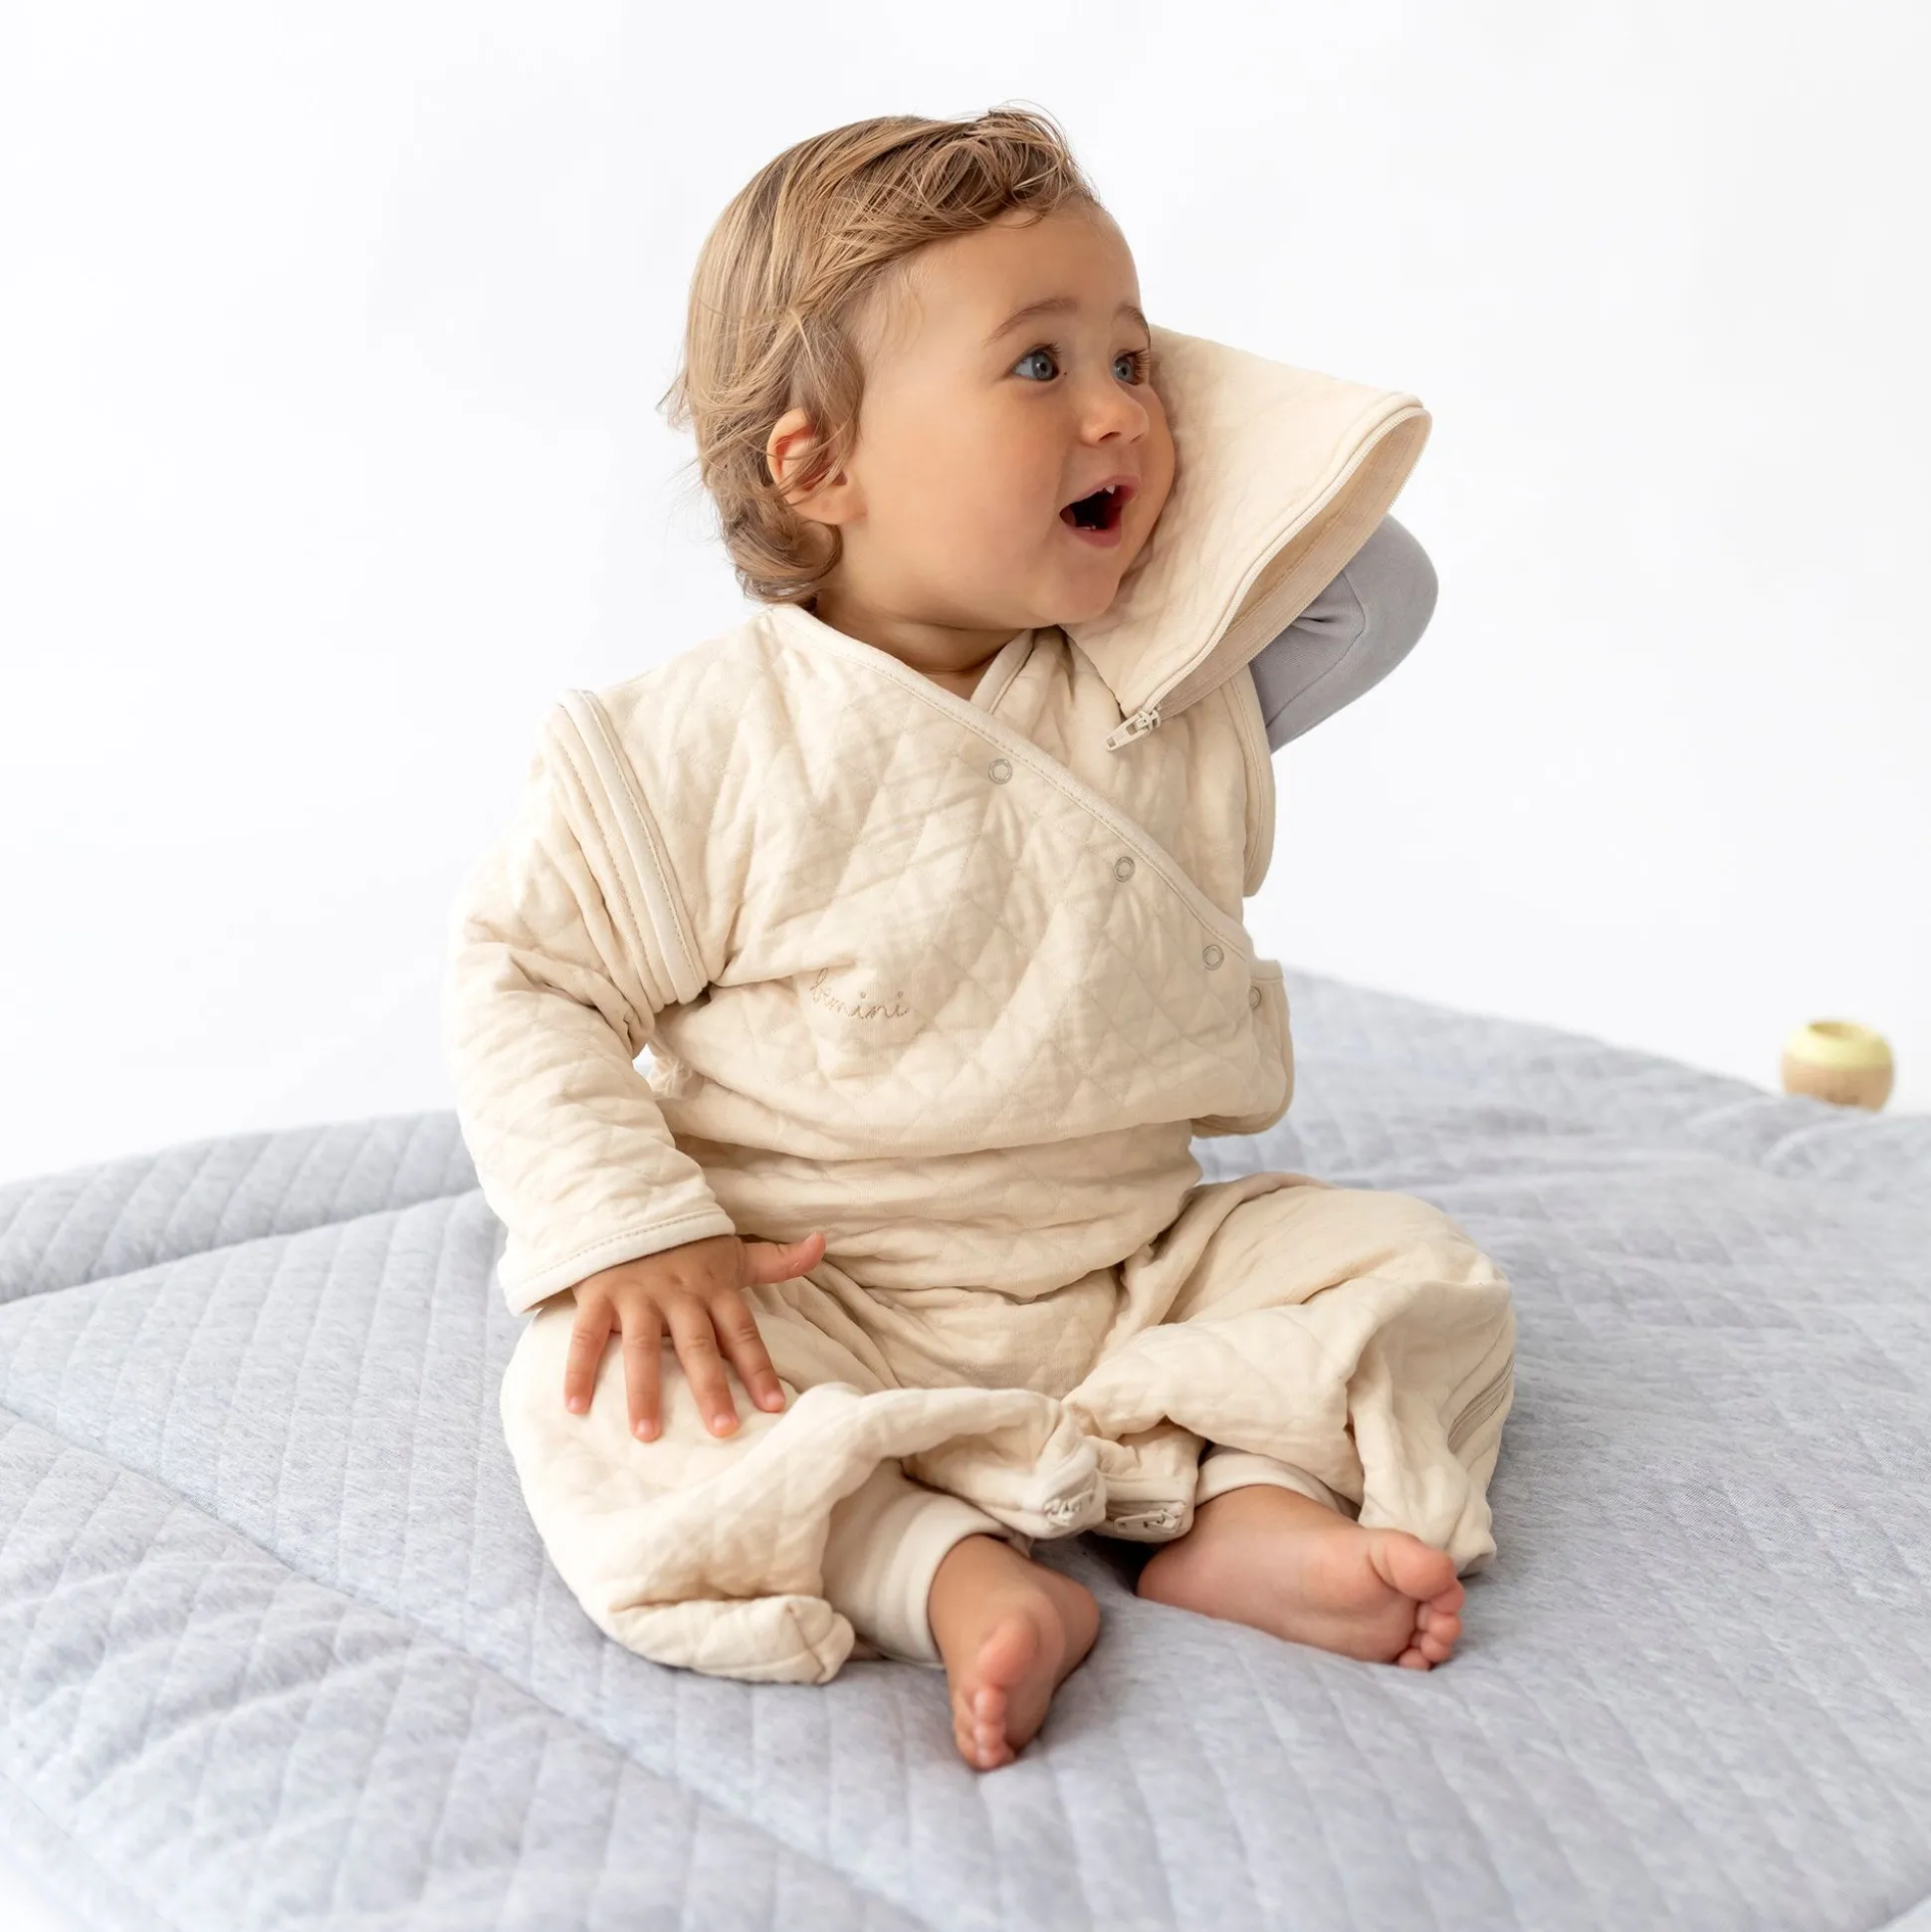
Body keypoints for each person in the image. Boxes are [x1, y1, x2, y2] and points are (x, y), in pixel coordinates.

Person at [442, 107, 1515, 1773]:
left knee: (1410, 1272)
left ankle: (1243, 1503)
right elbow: (526, 980)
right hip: (821, 1283)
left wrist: (1101, 406)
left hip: (1132, 1266)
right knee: (594, 1401)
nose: (1125, 411)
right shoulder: (689, 747)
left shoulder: (1164, 685)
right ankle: (935, 1568)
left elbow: (1374, 575)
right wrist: (632, 1233)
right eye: (1037, 365)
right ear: (819, 465)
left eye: (1138, 360)